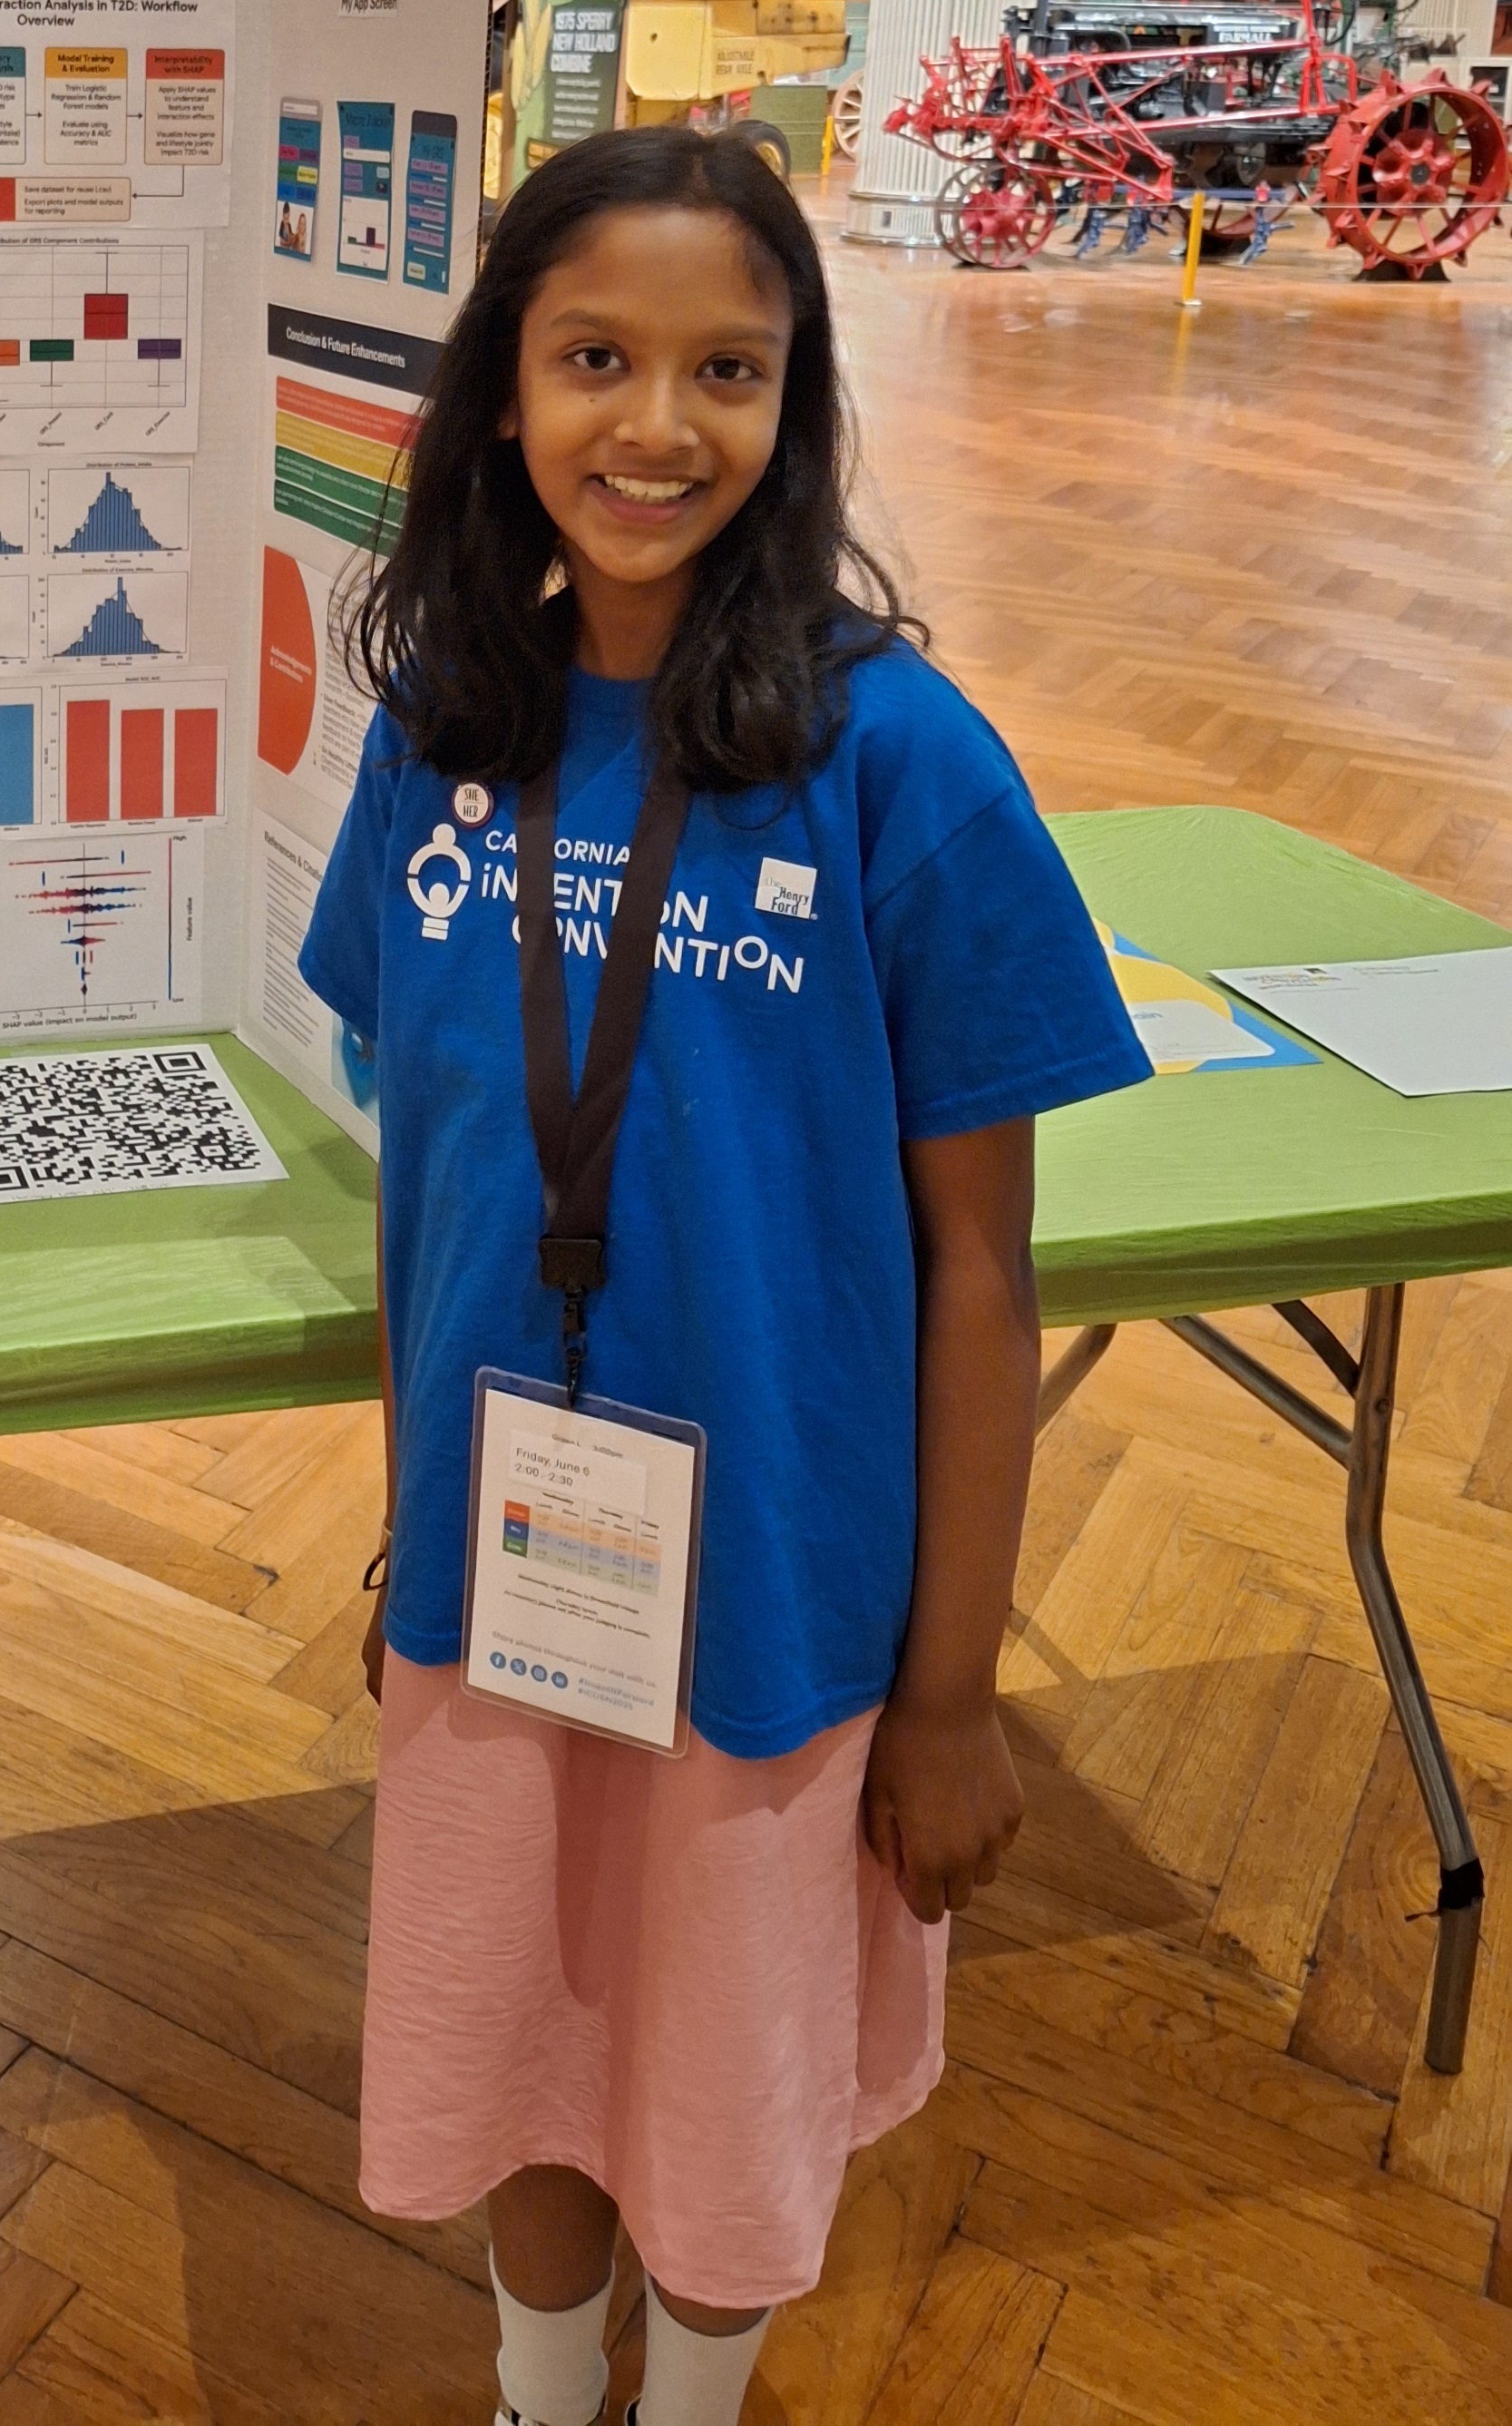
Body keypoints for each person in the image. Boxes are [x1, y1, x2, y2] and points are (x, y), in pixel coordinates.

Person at [299, 129, 1145, 2426]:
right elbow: (437, 1193)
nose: (656, 425)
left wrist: (953, 1691)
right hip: (503, 1575)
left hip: (777, 1595)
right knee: (524, 2037)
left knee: (726, 2081)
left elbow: (985, 1270)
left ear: (797, 405)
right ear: (502, 392)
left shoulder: (903, 765)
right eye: (596, 358)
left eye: (727, 371)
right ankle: (540, 2391)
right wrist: (411, 1524)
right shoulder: (443, 733)